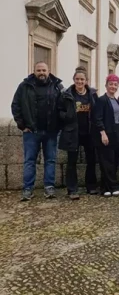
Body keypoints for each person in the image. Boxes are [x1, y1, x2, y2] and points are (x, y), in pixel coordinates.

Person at [11, 61, 64, 201]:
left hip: (51, 131)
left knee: (51, 160)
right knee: (29, 161)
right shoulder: (24, 86)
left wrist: (59, 124)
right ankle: (27, 189)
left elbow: (64, 106)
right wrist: (22, 125)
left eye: (44, 70)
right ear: (34, 71)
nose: (41, 72)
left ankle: (49, 188)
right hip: (31, 132)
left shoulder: (57, 86)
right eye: (39, 70)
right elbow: (16, 105)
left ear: (48, 71)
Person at [59, 67, 99, 200]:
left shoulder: (92, 94)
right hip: (73, 132)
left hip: (88, 132)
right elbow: (59, 110)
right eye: (77, 79)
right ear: (74, 80)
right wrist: (67, 116)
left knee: (91, 160)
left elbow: (97, 111)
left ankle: (91, 186)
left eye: (82, 79)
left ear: (86, 81)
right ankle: (72, 189)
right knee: (72, 162)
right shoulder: (67, 94)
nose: (79, 81)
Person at [93, 74, 119, 197]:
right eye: (111, 84)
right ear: (106, 85)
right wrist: (103, 133)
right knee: (106, 161)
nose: (113, 87)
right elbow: (97, 118)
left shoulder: (116, 100)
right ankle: (113, 186)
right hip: (106, 132)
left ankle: (105, 187)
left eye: (115, 85)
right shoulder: (101, 100)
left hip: (116, 132)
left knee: (114, 160)